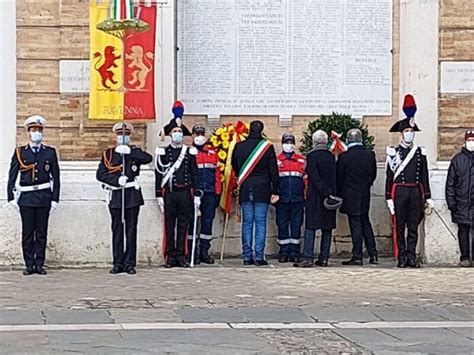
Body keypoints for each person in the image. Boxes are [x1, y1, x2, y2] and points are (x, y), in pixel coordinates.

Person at [7, 115, 60, 275]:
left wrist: (55, 198)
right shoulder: (20, 152)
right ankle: (29, 264)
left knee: (41, 232)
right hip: (27, 198)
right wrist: (10, 197)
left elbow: (56, 177)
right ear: (28, 133)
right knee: (28, 233)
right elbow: (12, 175)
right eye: (33, 130)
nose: (36, 132)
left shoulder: (50, 152)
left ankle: (39, 263)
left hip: (44, 197)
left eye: (39, 130)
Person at [96, 122, 153, 275]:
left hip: (132, 196)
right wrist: (115, 180)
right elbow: (100, 174)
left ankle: (130, 263)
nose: (123, 137)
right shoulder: (108, 154)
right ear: (115, 136)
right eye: (120, 134)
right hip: (116, 195)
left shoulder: (134, 151)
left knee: (131, 230)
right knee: (117, 230)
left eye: (126, 135)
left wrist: (129, 152)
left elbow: (148, 158)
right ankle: (118, 263)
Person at [385, 94, 433, 268]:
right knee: (399, 226)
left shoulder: (420, 153)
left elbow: (424, 175)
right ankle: (401, 256)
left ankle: (412, 255)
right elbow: (390, 176)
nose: (410, 134)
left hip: (415, 191)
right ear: (401, 134)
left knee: (413, 226)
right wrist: (388, 198)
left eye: (412, 132)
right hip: (399, 192)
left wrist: (427, 196)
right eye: (407, 132)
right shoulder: (393, 152)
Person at [155, 101, 199, 268]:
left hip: (185, 193)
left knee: (183, 225)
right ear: (169, 134)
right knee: (169, 225)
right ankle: (170, 255)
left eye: (179, 131)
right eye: (174, 131)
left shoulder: (189, 152)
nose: (177, 134)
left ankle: (181, 255)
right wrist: (158, 193)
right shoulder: (163, 152)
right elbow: (159, 173)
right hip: (170, 193)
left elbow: (195, 173)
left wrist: (197, 194)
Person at [231, 120, 279, 266]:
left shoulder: (239, 146)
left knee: (247, 223)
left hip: (246, 187)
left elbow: (235, 166)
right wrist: (275, 190)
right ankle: (259, 256)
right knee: (260, 223)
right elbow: (273, 171)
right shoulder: (267, 147)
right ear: (262, 130)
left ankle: (247, 256)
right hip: (263, 188)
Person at [295, 130, 338, 268]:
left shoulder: (312, 156)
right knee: (327, 227)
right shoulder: (331, 156)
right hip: (330, 195)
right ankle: (324, 257)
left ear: (314, 142)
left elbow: (313, 176)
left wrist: (324, 191)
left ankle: (308, 257)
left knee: (311, 227)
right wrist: (330, 193)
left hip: (316, 195)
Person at [337, 129, 378, 265]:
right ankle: (373, 254)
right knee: (366, 223)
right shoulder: (370, 155)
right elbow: (373, 175)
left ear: (348, 140)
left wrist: (340, 193)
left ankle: (357, 255)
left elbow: (340, 177)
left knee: (355, 225)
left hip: (350, 194)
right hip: (364, 193)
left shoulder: (344, 157)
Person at [186, 124, 222, 264]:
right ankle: (192, 252)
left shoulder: (212, 153)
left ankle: (204, 252)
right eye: (197, 134)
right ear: (193, 136)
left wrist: (218, 192)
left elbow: (218, 175)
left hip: (209, 193)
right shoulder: (188, 153)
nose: (199, 136)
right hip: (193, 194)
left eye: (202, 134)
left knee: (207, 223)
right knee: (192, 223)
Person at [275, 133, 306, 263]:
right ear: (282, 144)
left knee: (296, 225)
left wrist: (305, 195)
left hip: (297, 199)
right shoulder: (276, 161)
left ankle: (294, 251)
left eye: (290, 142)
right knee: (282, 224)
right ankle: (283, 251)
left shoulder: (301, 160)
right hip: (282, 199)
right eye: (286, 142)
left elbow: (305, 180)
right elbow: (273, 180)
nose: (289, 145)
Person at [445, 129, 474, 267]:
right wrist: (451, 203)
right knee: (463, 230)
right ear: (465, 141)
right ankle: (465, 257)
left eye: (473, 140)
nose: (471, 143)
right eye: (469, 140)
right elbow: (450, 183)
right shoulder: (457, 160)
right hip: (461, 202)